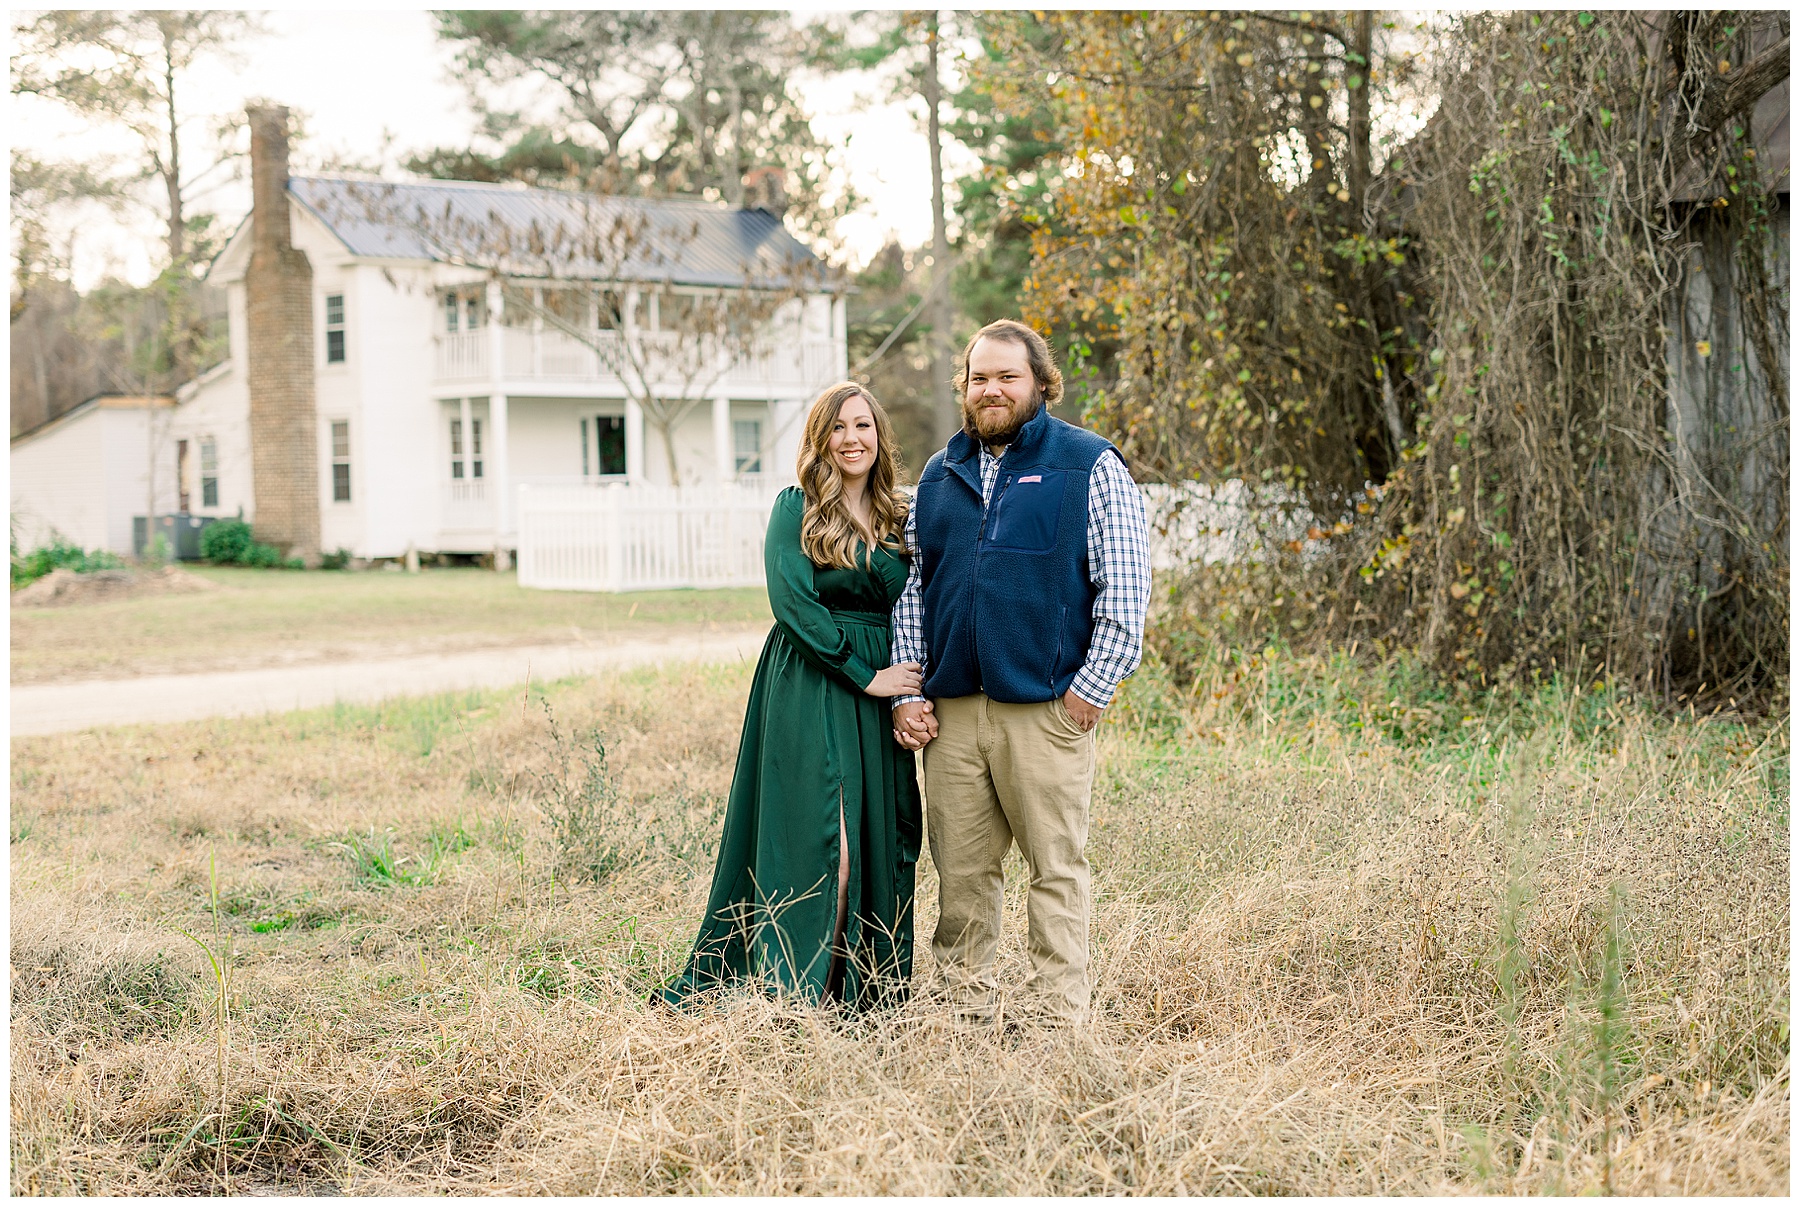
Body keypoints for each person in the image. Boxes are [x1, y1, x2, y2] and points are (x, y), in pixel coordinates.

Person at [890, 318, 1151, 1028]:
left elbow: (1124, 593)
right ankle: (961, 1019)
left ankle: (1053, 1026)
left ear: (1040, 382)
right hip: (952, 716)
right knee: (963, 879)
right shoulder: (938, 477)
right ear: (964, 388)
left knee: (1055, 873)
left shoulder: (1089, 464)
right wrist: (909, 691)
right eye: (980, 377)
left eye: (1008, 376)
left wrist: (1086, 695)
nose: (993, 389)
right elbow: (916, 593)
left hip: (1045, 710)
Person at [659, 382, 924, 1012]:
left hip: (881, 691)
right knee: (819, 834)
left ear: (879, 434)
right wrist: (866, 674)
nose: (852, 439)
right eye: (837, 428)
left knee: (874, 834)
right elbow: (792, 604)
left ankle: (860, 989)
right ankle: (791, 990)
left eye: (863, 425)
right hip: (814, 680)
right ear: (818, 440)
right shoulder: (796, 506)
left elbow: (921, 602)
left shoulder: (898, 515)